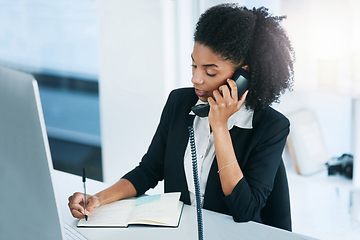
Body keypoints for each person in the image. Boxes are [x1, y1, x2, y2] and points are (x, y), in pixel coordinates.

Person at [68, 3, 294, 228]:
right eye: (193, 65)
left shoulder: (272, 127)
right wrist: (97, 199)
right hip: (182, 231)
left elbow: (244, 209)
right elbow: (149, 170)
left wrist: (220, 126)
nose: (196, 78)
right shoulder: (179, 103)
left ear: (242, 75)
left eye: (210, 71)